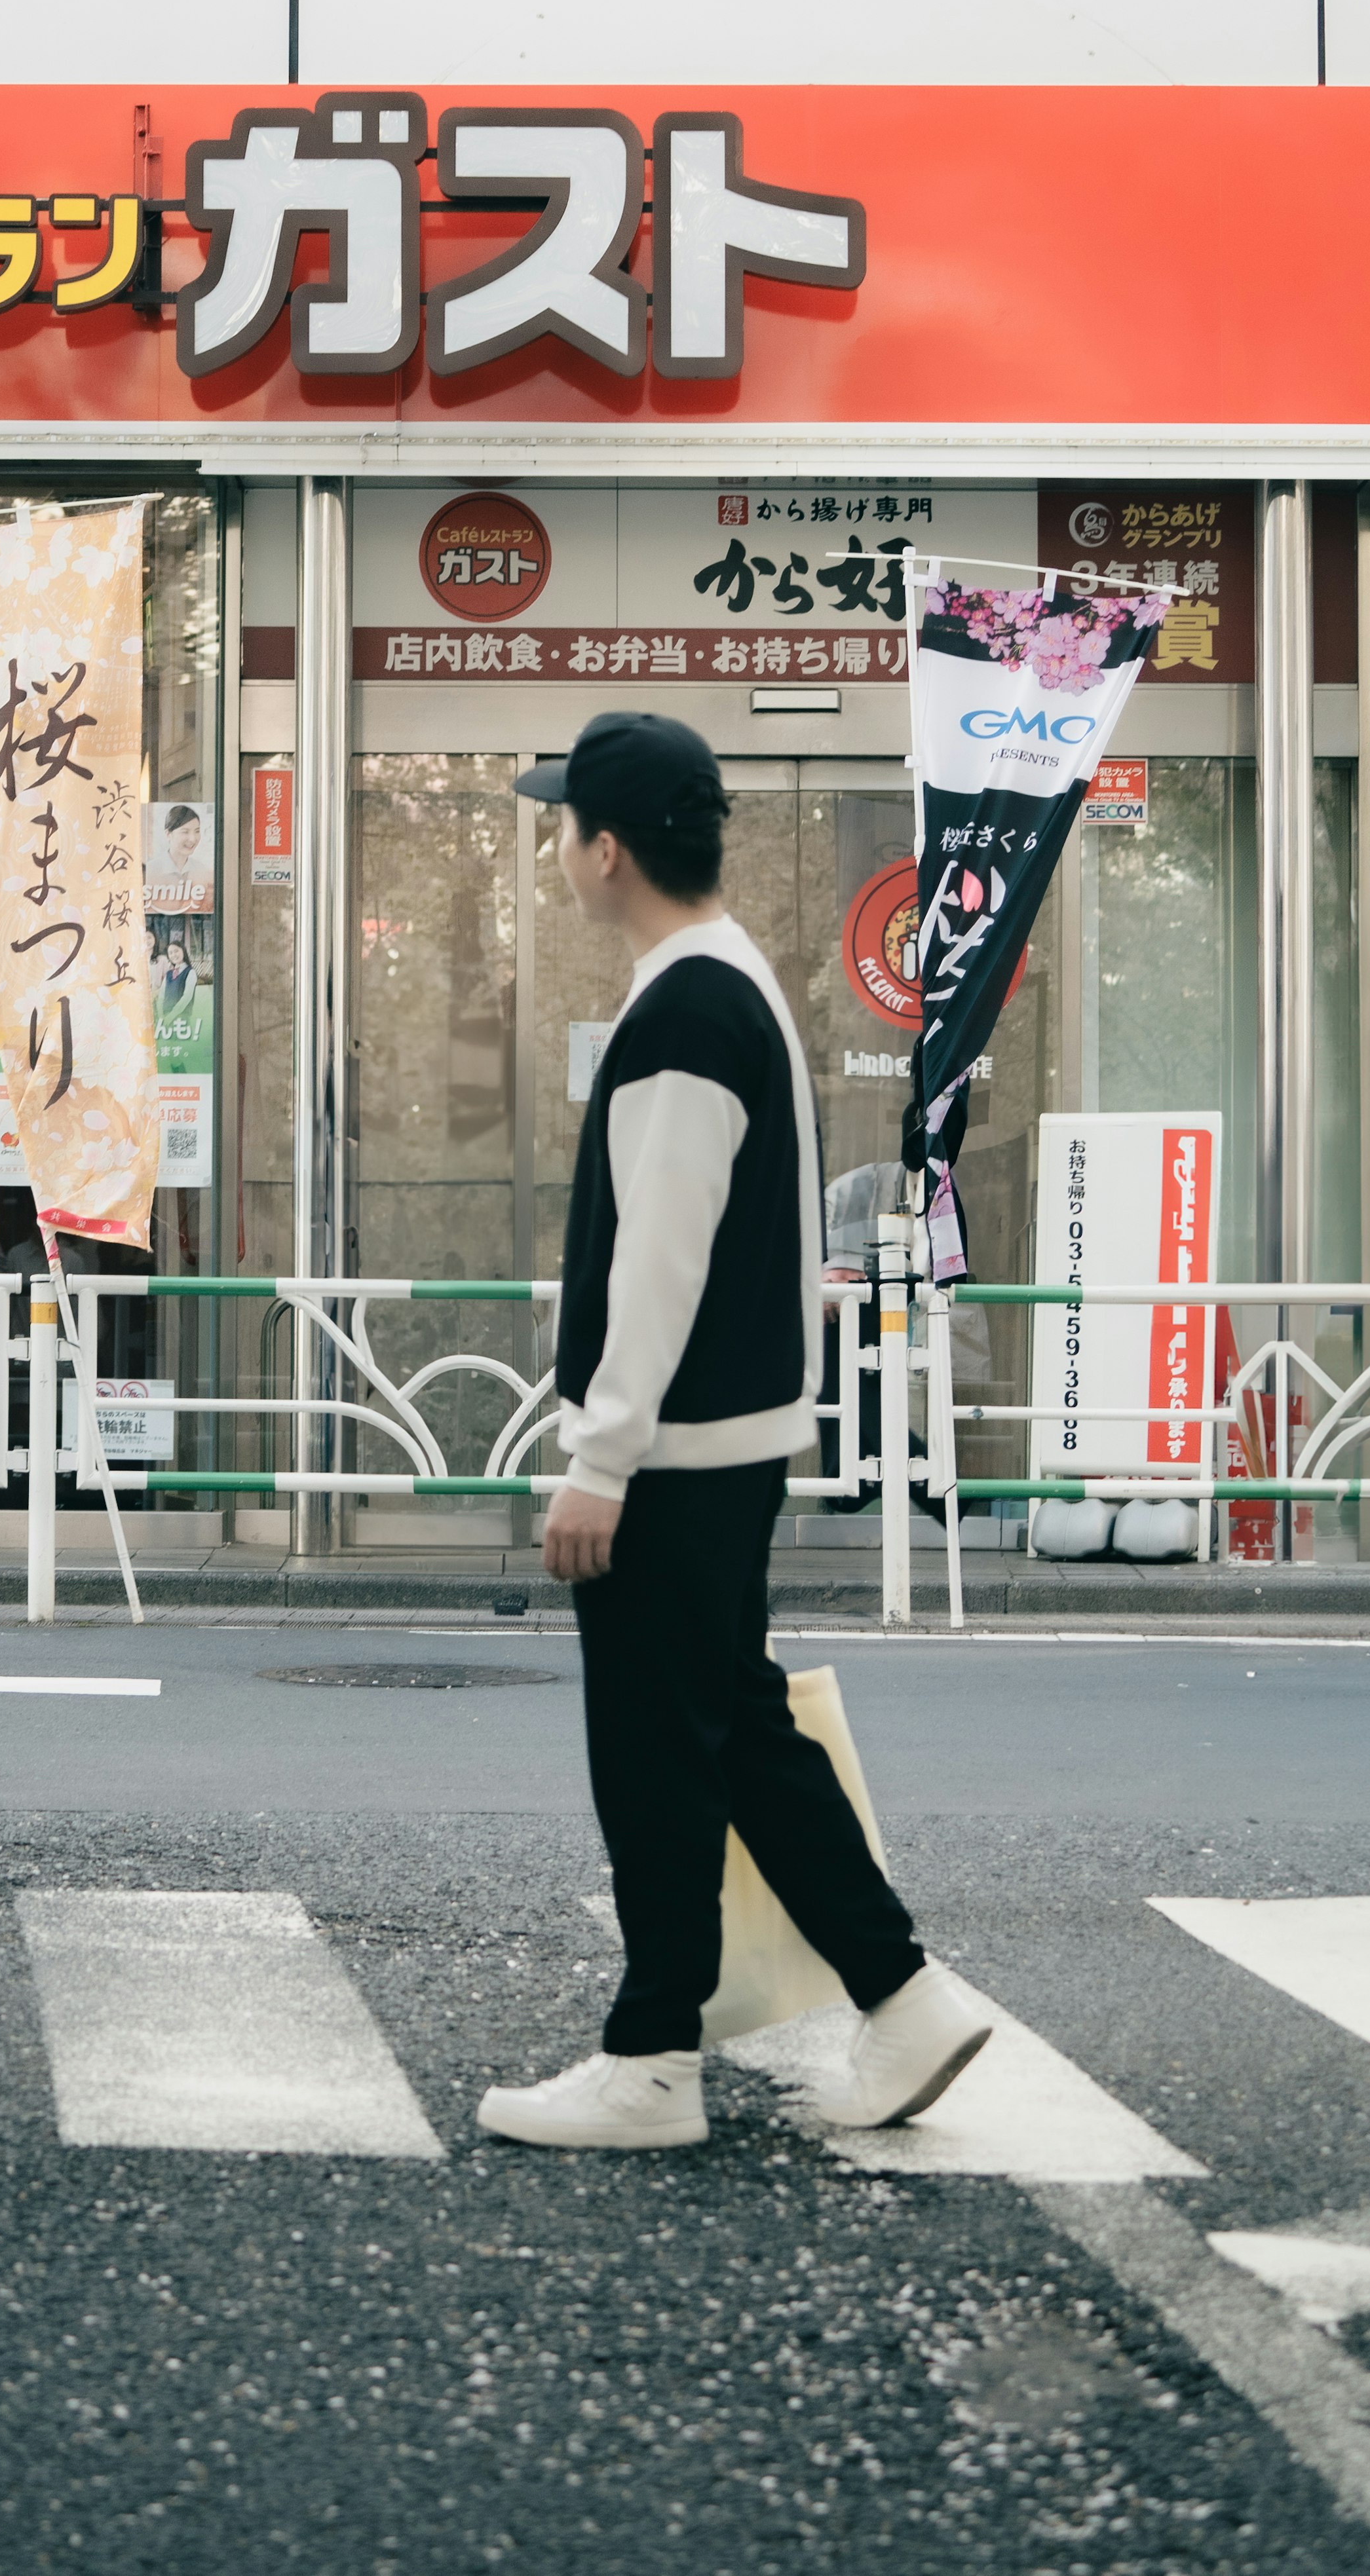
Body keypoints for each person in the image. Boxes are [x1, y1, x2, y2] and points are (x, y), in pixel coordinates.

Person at [478, 712, 991, 2153]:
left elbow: (663, 1254)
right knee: (726, 1733)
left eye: (563, 824)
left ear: (607, 851)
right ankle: (885, 1999)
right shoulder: (729, 981)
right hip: (725, 1441)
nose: (556, 848)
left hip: (676, 1456)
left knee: (662, 1748)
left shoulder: (684, 1013)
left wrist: (601, 1458)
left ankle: (664, 2061)